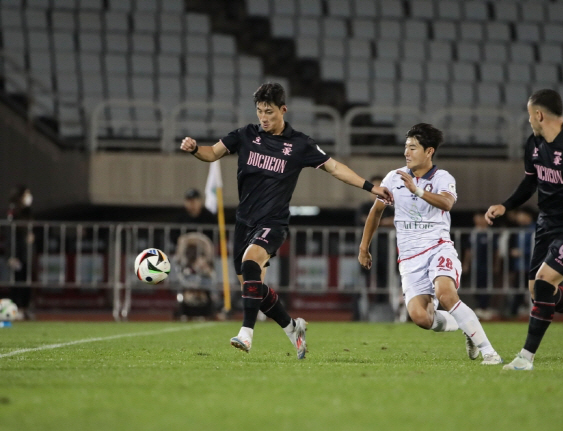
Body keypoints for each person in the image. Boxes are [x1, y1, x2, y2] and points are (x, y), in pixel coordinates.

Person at [180, 82, 393, 358]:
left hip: (274, 222)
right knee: (252, 287)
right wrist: (196, 148)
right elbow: (212, 153)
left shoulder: (299, 144)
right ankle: (293, 328)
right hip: (245, 222)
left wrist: (370, 186)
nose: (263, 117)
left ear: (283, 110)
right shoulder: (245, 135)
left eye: (268, 111)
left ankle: (246, 333)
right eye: (259, 111)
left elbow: (335, 167)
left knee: (250, 262)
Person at [485, 89, 563, 371]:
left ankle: (525, 358)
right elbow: (530, 182)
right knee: (538, 292)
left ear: (539, 114)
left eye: (530, 115)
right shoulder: (534, 144)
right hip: (546, 224)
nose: (529, 120)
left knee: (544, 284)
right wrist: (506, 205)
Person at [358, 123, 502, 365]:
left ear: (429, 151)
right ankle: (467, 325)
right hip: (409, 258)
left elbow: (447, 204)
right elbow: (376, 212)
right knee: (421, 318)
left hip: (438, 248)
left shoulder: (443, 177)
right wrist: (364, 248)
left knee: (445, 294)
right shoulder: (393, 178)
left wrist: (418, 191)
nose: (407, 152)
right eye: (406, 147)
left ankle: (489, 352)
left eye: (413, 148)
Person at [6, 185, 35, 319]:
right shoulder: (13, 212)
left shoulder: (28, 212)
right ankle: (15, 308)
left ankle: (25, 307)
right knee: (17, 281)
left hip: (27, 253)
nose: (29, 197)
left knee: (27, 281)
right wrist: (10, 255)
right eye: (26, 194)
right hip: (17, 252)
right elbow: (10, 234)